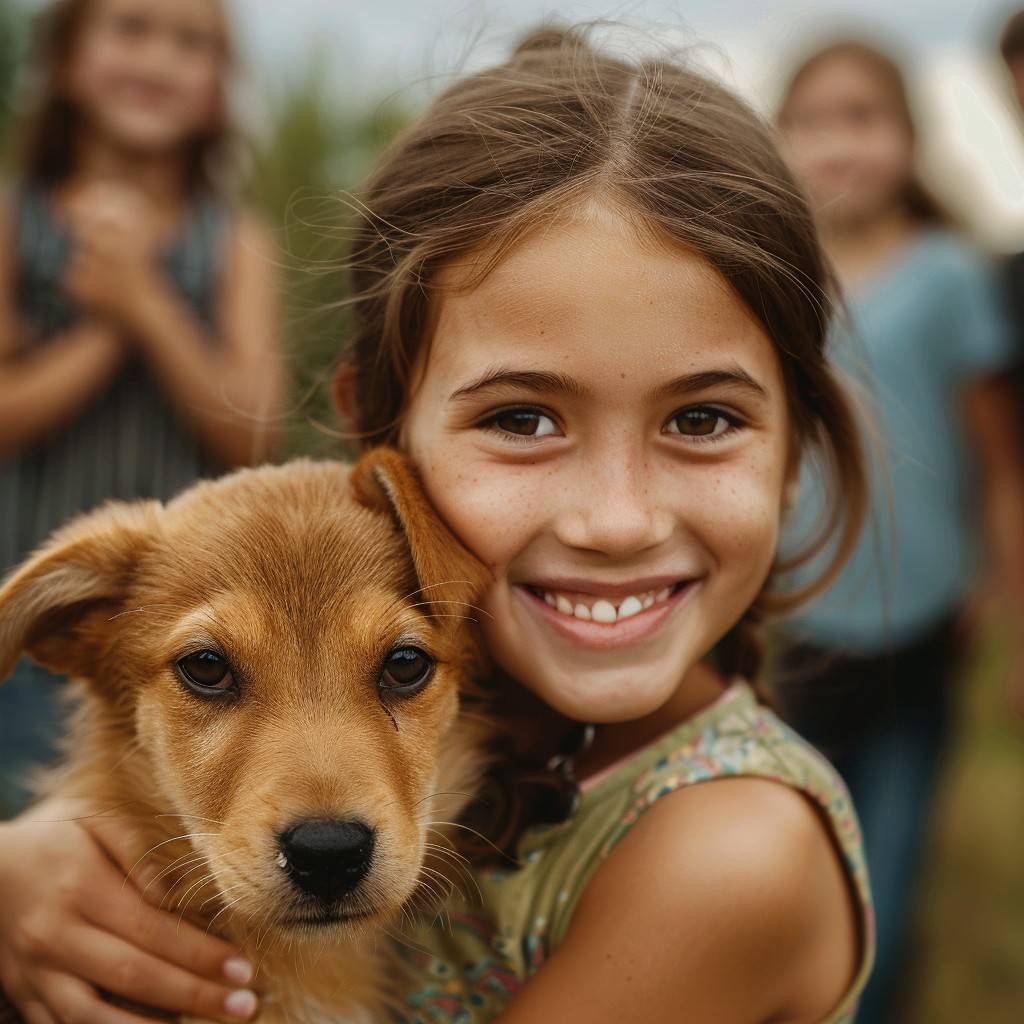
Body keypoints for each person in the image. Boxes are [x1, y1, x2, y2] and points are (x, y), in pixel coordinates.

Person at [0, 25, 873, 1024]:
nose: (615, 519)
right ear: (387, 431)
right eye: (522, 418)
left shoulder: (729, 848)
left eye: (701, 418)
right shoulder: (511, 714)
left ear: (797, 445)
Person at [773, 38, 1023, 1024]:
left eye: (863, 119)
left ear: (910, 141)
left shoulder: (951, 279)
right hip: (791, 629)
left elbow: (1000, 464)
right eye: (816, 121)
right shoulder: (771, 277)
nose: (840, 146)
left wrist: (1004, 598)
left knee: (888, 870)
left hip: (922, 629)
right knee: (794, 877)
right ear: (780, 139)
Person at [0, 0, 285, 815]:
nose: (159, 58)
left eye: (190, 41)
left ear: (217, 90)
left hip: (185, 643)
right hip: (28, 624)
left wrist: (141, 299)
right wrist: (108, 325)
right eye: (130, 28)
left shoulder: (234, 240)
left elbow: (253, 427)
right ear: (62, 61)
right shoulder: (13, 220)